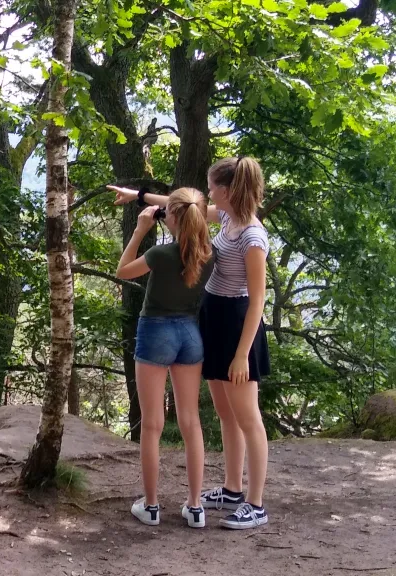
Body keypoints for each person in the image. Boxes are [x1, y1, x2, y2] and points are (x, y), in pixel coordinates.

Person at [109, 156, 271, 530]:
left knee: (248, 418)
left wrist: (242, 354)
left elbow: (258, 300)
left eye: (213, 187)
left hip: (238, 326)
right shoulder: (227, 217)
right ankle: (232, 488)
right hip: (208, 321)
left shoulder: (252, 236)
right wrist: (137, 195)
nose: (209, 193)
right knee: (224, 414)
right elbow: (182, 205)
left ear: (227, 191)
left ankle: (256, 502)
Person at [115, 188, 215, 529]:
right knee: (191, 422)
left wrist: (140, 229)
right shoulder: (208, 254)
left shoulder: (159, 254)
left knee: (153, 424)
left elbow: (123, 270)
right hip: (191, 335)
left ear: (170, 217)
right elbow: (188, 211)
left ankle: (153, 505)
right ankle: (195, 506)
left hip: (156, 332)